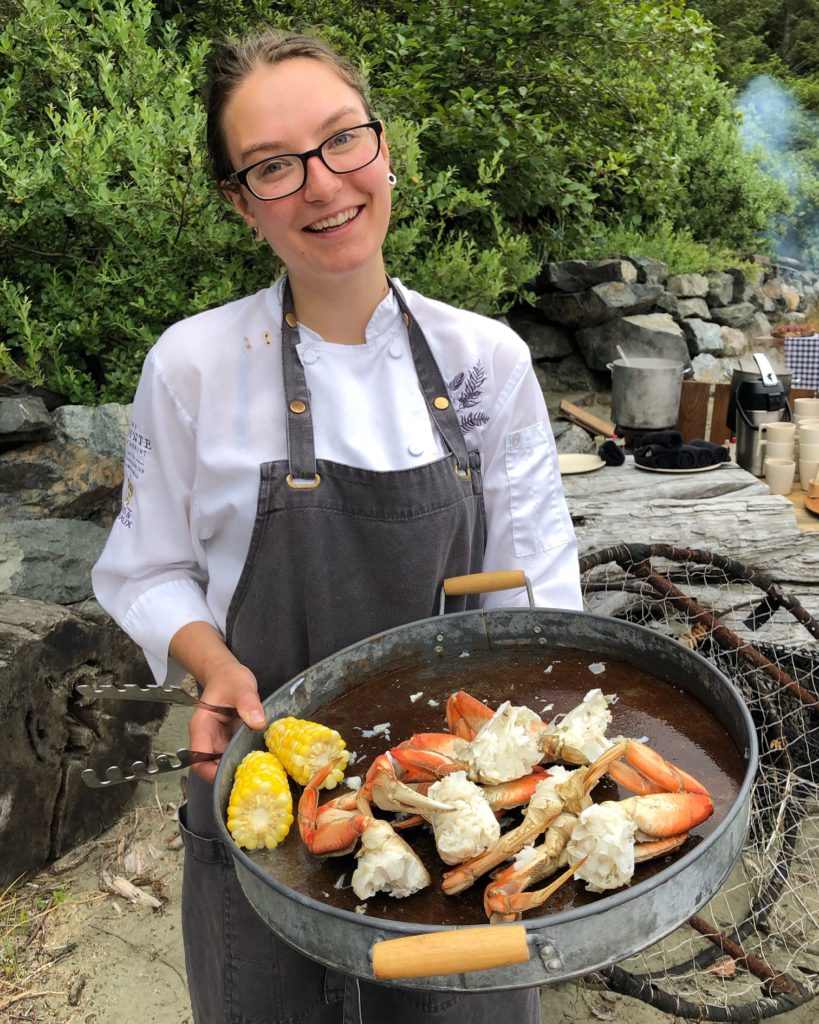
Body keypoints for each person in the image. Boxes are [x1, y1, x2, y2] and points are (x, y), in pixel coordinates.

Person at [92, 28, 582, 1024]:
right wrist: (210, 664)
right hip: (269, 789)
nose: (322, 185)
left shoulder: (486, 362)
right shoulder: (192, 367)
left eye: (341, 141)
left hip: (459, 804)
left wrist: (531, 772)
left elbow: (538, 586)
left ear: (383, 147)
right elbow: (145, 570)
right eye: (275, 166)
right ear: (240, 201)